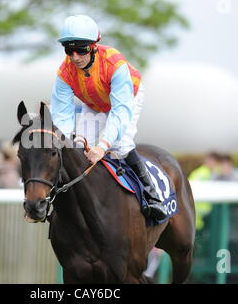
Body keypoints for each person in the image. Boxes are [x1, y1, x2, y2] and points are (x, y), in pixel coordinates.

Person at [50, 15, 166, 220]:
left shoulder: (114, 63)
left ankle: (151, 195)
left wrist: (102, 146)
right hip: (94, 103)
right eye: (69, 50)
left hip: (127, 98)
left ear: (94, 46)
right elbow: (62, 118)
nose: (75, 57)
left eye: (81, 49)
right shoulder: (64, 72)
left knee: (120, 144)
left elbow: (120, 112)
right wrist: (62, 143)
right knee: (78, 146)